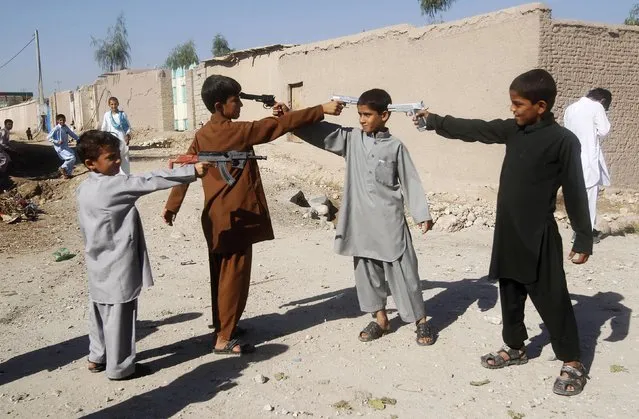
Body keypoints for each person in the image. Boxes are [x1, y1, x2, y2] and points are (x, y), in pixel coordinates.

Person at [414, 69, 593, 396]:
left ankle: (572, 360)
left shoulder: (563, 141)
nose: (512, 110)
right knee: (510, 290)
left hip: (538, 233)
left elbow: (576, 191)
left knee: (551, 297)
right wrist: (436, 121)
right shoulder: (514, 130)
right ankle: (515, 347)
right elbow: (476, 129)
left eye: (518, 104)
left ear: (540, 106)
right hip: (508, 229)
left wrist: (583, 237)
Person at [162, 74, 341, 355]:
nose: (241, 106)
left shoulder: (203, 134)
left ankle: (223, 325)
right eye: (236, 101)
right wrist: (321, 110)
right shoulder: (237, 132)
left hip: (215, 219)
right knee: (234, 275)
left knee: (220, 274)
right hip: (235, 219)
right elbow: (277, 126)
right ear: (220, 105)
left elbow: (186, 169)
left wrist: (173, 205)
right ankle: (224, 339)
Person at [286, 88, 436, 346]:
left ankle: (420, 321)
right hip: (360, 221)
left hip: (389, 221)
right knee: (367, 272)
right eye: (359, 115)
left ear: (385, 115)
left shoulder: (395, 147)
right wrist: (290, 117)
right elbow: (316, 133)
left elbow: (410, 181)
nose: (362, 120)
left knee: (404, 271)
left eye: (367, 115)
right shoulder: (352, 140)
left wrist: (421, 213)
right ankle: (380, 319)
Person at [76, 129, 209, 380]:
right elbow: (149, 180)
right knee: (121, 315)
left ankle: (97, 357)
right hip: (117, 262)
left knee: (99, 310)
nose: (117, 162)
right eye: (111, 158)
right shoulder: (114, 186)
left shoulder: (84, 188)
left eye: (118, 156)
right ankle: (120, 368)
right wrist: (191, 172)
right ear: (91, 163)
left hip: (97, 261)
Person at [563, 88, 612, 243]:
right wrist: (594, 131)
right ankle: (584, 234)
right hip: (588, 160)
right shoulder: (596, 107)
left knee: (576, 198)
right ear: (602, 101)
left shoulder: (570, 109)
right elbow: (604, 130)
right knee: (589, 198)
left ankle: (579, 230)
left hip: (572, 159)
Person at [101, 96, 132, 175]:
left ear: (118, 104)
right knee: (113, 160)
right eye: (111, 104)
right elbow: (104, 128)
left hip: (122, 139)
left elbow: (127, 127)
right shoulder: (107, 115)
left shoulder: (122, 115)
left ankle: (126, 178)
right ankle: (116, 178)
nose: (113, 106)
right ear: (109, 105)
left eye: (115, 104)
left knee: (124, 159)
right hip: (111, 141)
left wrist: (128, 135)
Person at [47, 114, 79, 179]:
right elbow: (48, 137)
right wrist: (56, 141)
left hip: (65, 146)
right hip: (60, 148)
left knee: (73, 158)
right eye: (61, 120)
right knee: (72, 157)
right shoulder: (56, 128)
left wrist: (78, 139)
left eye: (64, 120)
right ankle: (62, 167)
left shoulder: (65, 127)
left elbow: (72, 134)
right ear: (58, 121)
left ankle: (67, 174)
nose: (62, 121)